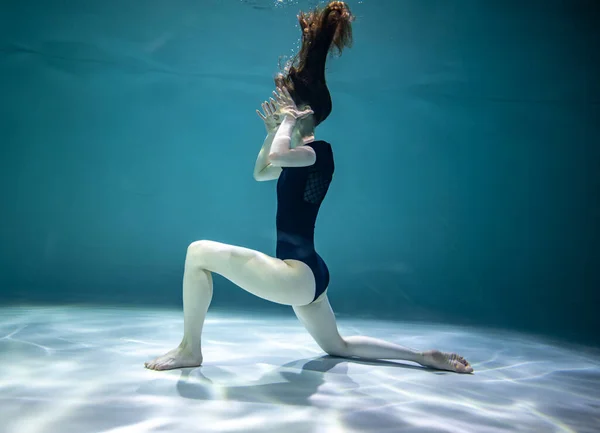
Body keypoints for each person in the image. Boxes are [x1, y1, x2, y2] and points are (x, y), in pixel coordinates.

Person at [145, 1, 473, 374]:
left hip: (297, 274)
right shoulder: (300, 153)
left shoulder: (320, 153)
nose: (279, 107)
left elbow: (282, 156)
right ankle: (422, 356)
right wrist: (273, 132)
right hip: (307, 273)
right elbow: (263, 171)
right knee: (338, 345)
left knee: (197, 251)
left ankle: (190, 349)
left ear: (302, 112)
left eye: (286, 104)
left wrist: (285, 125)